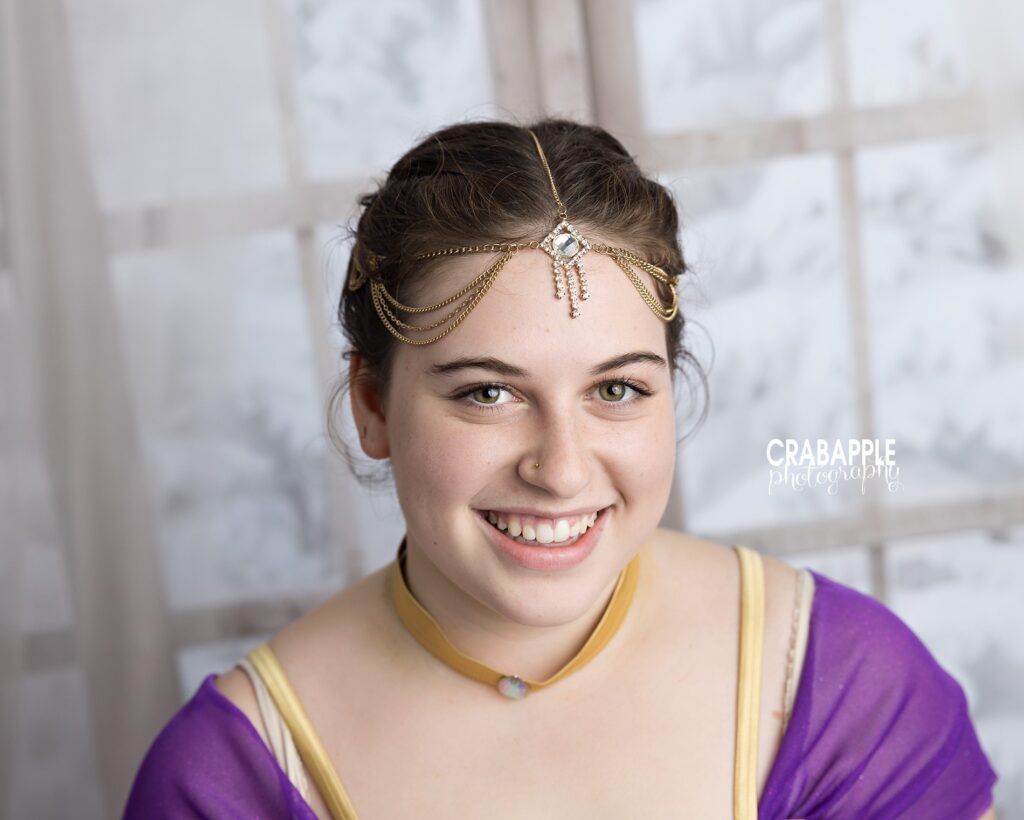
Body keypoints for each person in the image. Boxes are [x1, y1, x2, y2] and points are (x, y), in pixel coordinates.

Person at [124, 119, 998, 819]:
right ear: (374, 405)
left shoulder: (843, 689)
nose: (562, 468)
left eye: (615, 387)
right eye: (487, 395)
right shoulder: (233, 778)